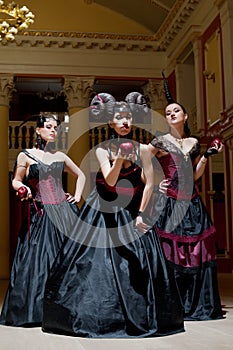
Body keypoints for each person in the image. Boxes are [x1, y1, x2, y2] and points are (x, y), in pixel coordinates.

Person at [41, 93, 184, 338]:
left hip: (131, 210)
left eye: (128, 117)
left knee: (137, 266)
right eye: (119, 117)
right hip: (103, 210)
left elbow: (148, 183)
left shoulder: (142, 149)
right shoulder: (102, 150)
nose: (125, 121)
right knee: (93, 266)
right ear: (111, 123)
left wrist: (141, 214)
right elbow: (109, 181)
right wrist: (119, 159)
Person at [147, 72, 224, 321]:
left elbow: (196, 174)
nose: (171, 114)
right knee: (170, 253)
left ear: (185, 116)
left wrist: (206, 156)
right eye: (167, 112)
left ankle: (196, 304)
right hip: (169, 201)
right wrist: (155, 183)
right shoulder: (160, 141)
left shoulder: (192, 142)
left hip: (192, 201)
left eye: (175, 111)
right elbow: (141, 163)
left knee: (197, 253)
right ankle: (172, 305)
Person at [0, 112, 86, 326]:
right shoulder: (25, 155)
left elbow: (82, 174)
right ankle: (38, 311)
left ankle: (65, 309)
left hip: (64, 213)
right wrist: (23, 187)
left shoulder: (61, 156)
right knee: (39, 262)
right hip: (41, 213)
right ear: (38, 130)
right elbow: (16, 181)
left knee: (68, 259)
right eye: (48, 126)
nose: (53, 130)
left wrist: (76, 195)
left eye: (55, 127)